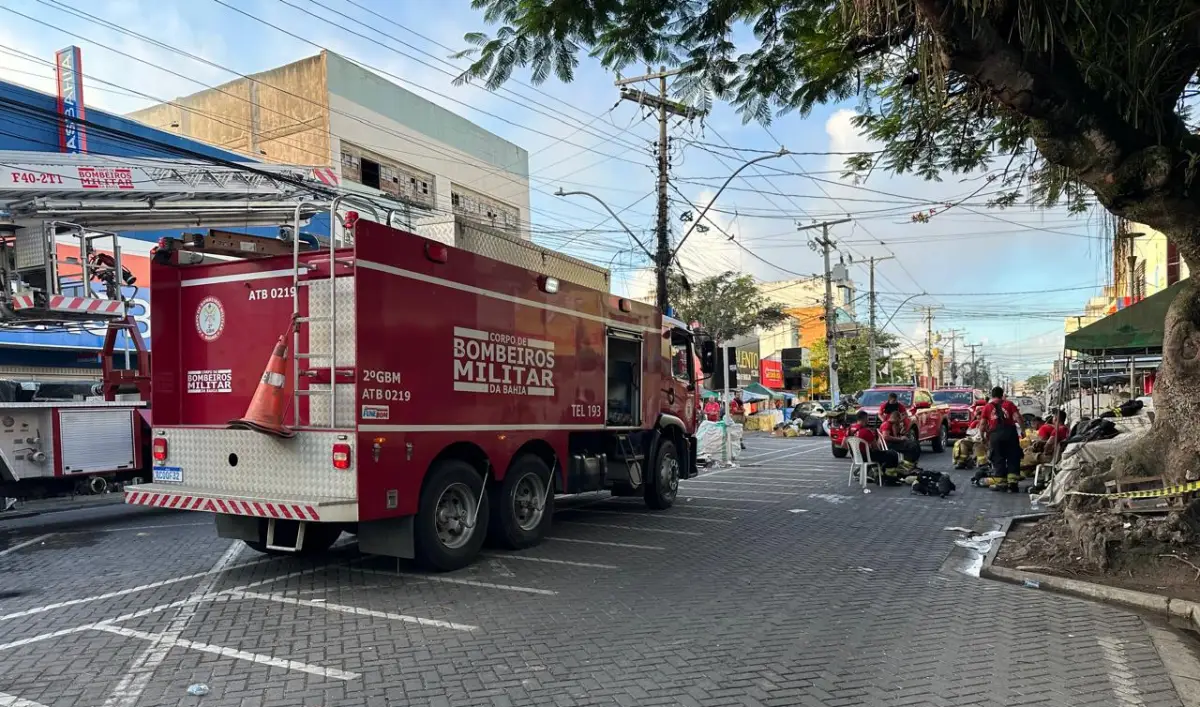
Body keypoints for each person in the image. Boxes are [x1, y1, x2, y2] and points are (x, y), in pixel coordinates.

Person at [979, 386, 1023, 492]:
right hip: (1010, 434)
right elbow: (1017, 417)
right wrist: (1023, 430)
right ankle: (1013, 484)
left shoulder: (987, 407)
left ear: (992, 395)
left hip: (995, 435)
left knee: (998, 458)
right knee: (1013, 457)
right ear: (1002, 394)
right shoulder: (1009, 404)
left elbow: (983, 424)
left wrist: (982, 436)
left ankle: (1001, 483)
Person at [849, 410, 901, 477]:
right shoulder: (867, 431)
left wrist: (856, 449)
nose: (868, 420)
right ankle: (888, 476)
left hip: (855, 457)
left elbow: (843, 445)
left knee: (884, 455)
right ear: (865, 419)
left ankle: (871, 471)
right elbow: (876, 447)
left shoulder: (849, 429)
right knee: (892, 454)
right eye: (867, 418)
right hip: (866, 457)